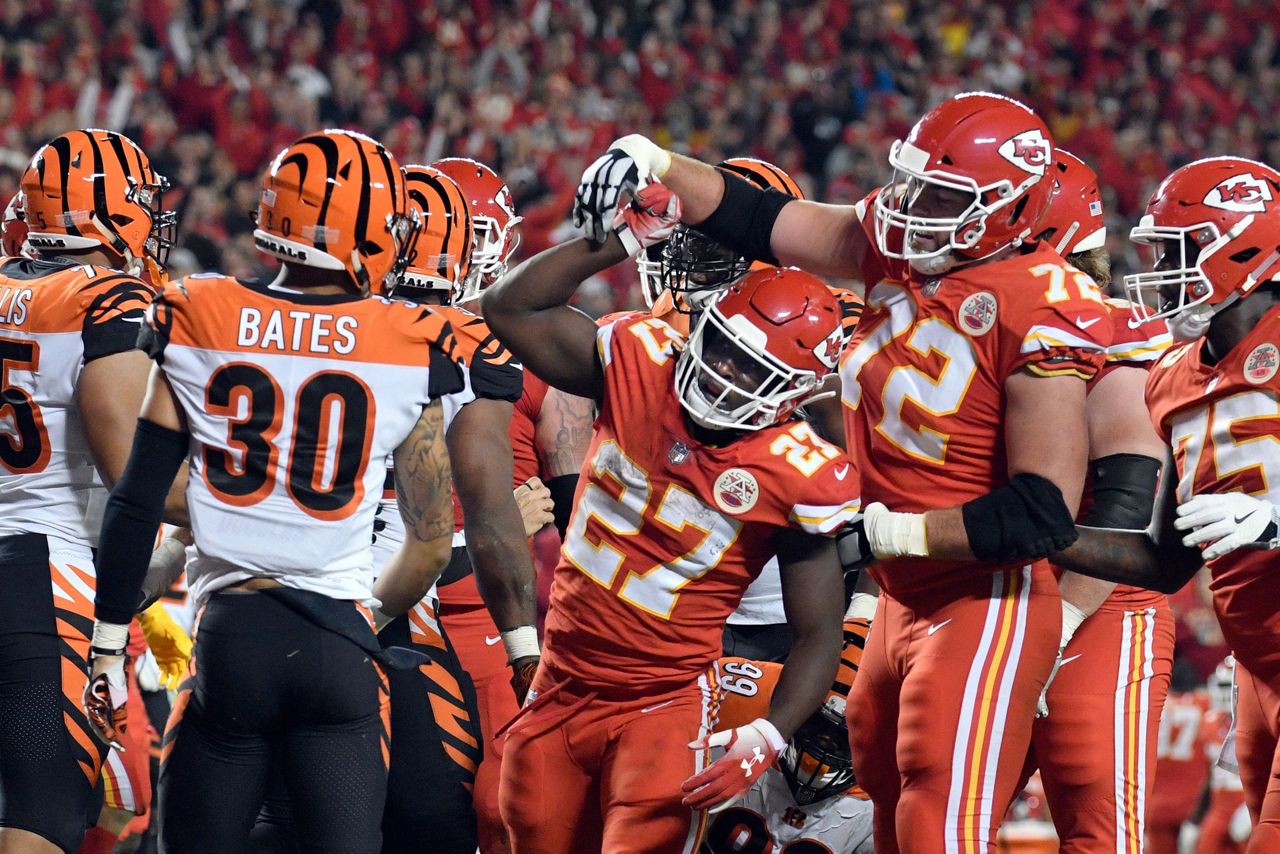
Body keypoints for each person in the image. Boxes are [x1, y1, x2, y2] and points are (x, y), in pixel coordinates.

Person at [571, 91, 1112, 850]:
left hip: (982, 601)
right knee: (887, 817)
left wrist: (886, 533)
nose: (914, 206)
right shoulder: (894, 246)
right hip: (894, 598)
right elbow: (756, 218)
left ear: (1010, 208)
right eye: (914, 182)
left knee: (937, 825)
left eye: (944, 195)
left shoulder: (1048, 303)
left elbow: (1040, 514)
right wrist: (654, 159)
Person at [84, 128, 462, 852]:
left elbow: (136, 497)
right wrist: (360, 617)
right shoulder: (413, 338)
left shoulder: (200, 308)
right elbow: (432, 542)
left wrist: (107, 643)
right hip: (340, 646)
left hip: (231, 641)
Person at [481, 188, 860, 852]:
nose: (723, 373)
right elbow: (509, 306)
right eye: (721, 347)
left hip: (662, 700)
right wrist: (621, 241)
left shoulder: (798, 472)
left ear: (795, 392)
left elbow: (818, 632)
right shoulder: (641, 358)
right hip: (561, 683)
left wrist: (769, 733)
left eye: (753, 368)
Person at [1052, 156, 1280, 846]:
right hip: (1257, 665)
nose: (1163, 271)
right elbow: (1162, 560)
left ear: (1243, 246)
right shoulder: (1172, 378)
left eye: (1180, 251)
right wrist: (1035, 534)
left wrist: (1273, 520)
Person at [0, 129, 178, 854]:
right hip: (48, 580)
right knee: (45, 810)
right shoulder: (106, 301)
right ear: (105, 212)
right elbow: (133, 473)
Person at [375, 163, 542, 853]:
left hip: (464, 602)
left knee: (501, 807)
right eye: (458, 237)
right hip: (419, 599)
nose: (469, 255)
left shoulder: (528, 353)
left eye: (478, 237)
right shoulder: (480, 353)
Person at [1017, 150, 1176, 852]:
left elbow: (1126, 505)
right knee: (934, 805)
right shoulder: (972, 319)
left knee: (1100, 833)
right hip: (994, 589)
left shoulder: (1111, 333)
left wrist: (1060, 626)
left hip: (1103, 602)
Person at [433, 155, 592, 854]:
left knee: (505, 803)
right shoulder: (372, 330)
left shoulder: (538, 343)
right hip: (393, 586)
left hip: (503, 605)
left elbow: (578, 504)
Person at [701, 617, 875, 853]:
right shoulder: (730, 695)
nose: (823, 747)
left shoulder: (899, 779)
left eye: (843, 739)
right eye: (816, 725)